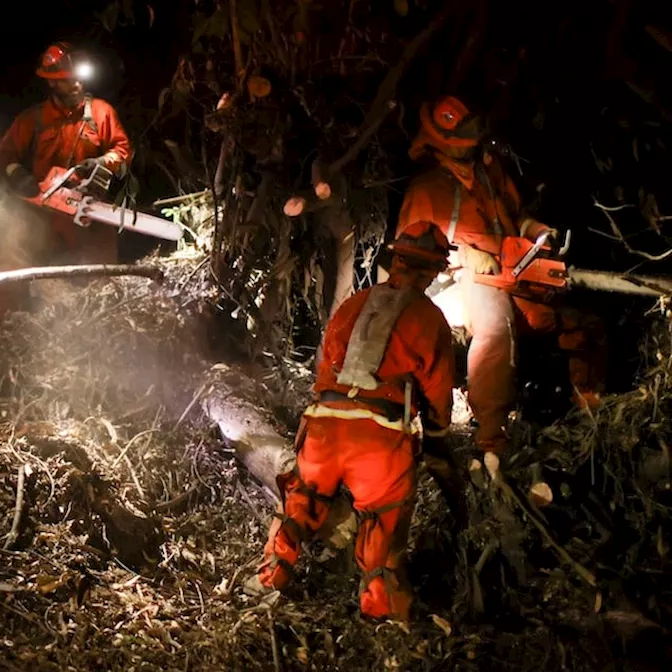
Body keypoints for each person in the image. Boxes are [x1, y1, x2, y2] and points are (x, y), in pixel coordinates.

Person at [250, 221, 458, 622]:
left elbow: (326, 365)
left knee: (300, 503)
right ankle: (381, 612)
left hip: (324, 426)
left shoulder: (353, 304)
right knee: (383, 523)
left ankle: (271, 576)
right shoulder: (430, 319)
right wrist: (437, 437)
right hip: (379, 440)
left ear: (395, 260)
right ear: (433, 270)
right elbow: (437, 391)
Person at [397, 95, 606, 457]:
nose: (471, 146)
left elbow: (517, 214)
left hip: (511, 269)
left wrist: (539, 231)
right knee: (496, 328)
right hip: (459, 282)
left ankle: (589, 412)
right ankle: (491, 438)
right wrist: (464, 255)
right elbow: (410, 254)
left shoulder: (489, 172)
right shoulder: (427, 188)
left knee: (576, 320)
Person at [0, 42, 132, 264]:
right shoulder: (33, 120)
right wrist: (19, 176)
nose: (76, 84)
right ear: (52, 82)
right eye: (68, 80)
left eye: (78, 78)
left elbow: (122, 149)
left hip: (91, 212)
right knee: (41, 278)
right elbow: (5, 155)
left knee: (100, 276)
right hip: (43, 217)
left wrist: (102, 161)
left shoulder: (100, 112)